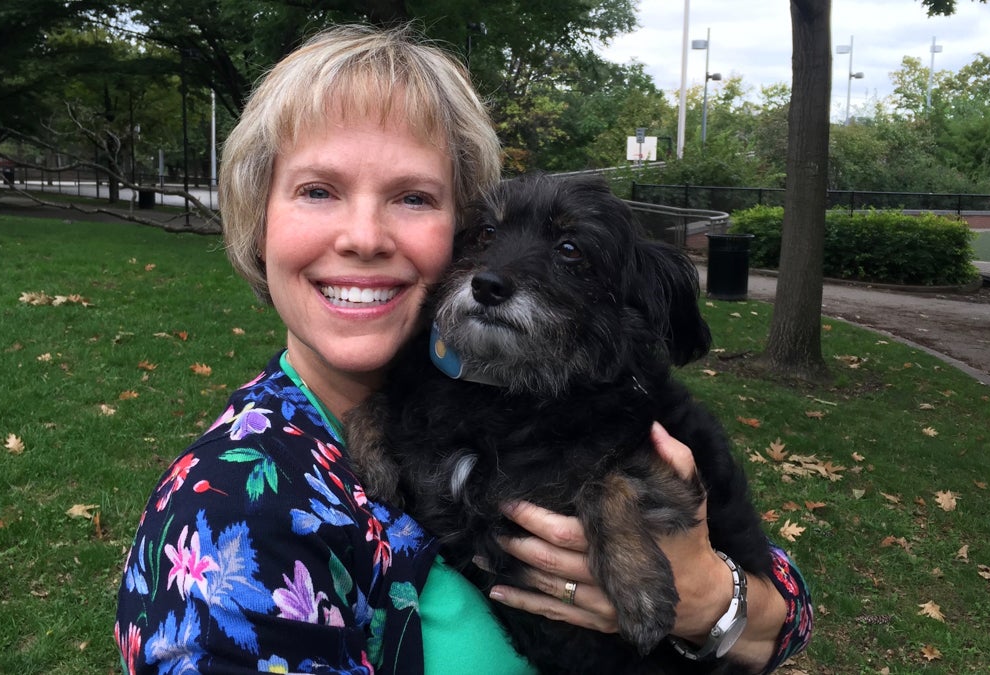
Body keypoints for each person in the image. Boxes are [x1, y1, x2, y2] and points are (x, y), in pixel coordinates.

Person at [114, 24, 811, 675]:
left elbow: (787, 610)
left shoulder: (511, 394)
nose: (364, 236)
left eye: (413, 197)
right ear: (257, 220)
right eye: (318, 190)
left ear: (459, 226)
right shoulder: (229, 521)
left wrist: (713, 602)